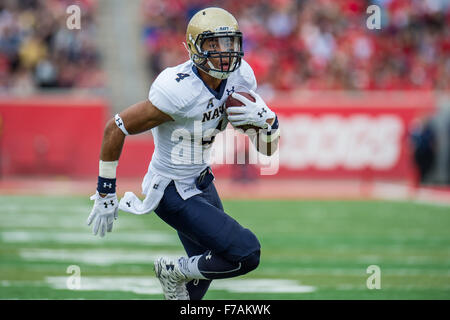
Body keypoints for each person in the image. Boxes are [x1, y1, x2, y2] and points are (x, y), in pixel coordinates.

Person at [86, 7, 281, 300]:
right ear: (194, 48)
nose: (223, 53)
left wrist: (270, 125)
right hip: (171, 190)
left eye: (228, 43)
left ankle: (179, 284)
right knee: (246, 252)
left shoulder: (241, 78)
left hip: (203, 182)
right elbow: (115, 128)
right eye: (213, 44)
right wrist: (105, 191)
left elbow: (267, 149)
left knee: (201, 282)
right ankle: (172, 270)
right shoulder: (177, 90)